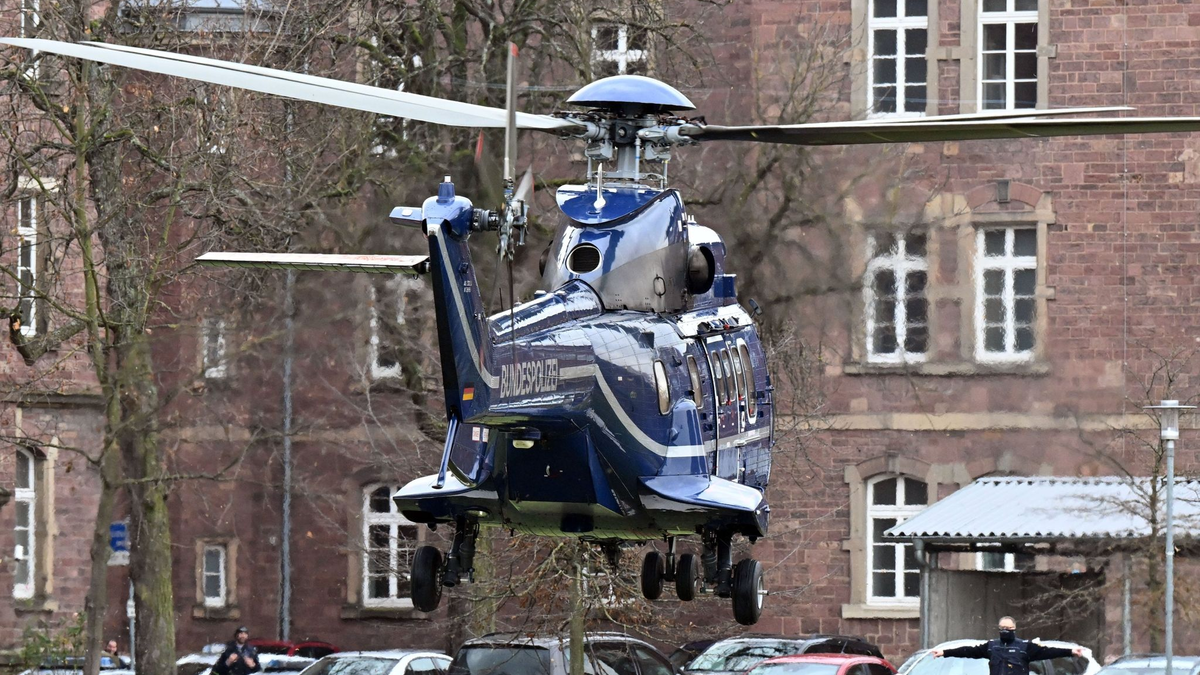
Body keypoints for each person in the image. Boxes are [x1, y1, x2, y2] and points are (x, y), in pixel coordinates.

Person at [932, 617, 1084, 675]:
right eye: (1002, 628)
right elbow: (968, 651)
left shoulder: (1025, 647)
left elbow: (1048, 652)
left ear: (1014, 629)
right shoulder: (992, 646)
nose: (1005, 631)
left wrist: (1071, 651)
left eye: (1008, 628)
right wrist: (944, 652)